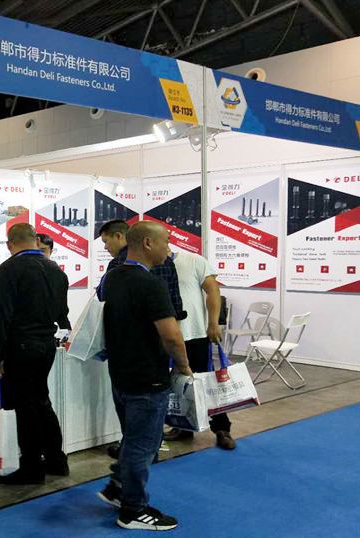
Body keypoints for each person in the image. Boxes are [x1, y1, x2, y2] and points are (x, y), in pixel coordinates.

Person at [96, 221, 191, 531]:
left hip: (120, 374)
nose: (169, 249)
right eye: (166, 242)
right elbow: (171, 335)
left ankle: (118, 488)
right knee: (143, 446)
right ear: (148, 243)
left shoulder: (113, 277)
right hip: (148, 378)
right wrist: (184, 366)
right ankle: (133, 510)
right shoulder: (151, 284)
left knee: (132, 439)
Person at [0, 223, 70, 485]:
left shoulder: (9, 269)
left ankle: (32, 467)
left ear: (9, 244)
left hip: (21, 346)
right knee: (41, 401)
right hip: (46, 344)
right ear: (35, 241)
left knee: (25, 407)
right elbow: (61, 312)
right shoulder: (55, 270)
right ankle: (56, 459)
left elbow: (2, 314)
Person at [164, 250, 234, 449]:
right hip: (165, 336)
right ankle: (182, 426)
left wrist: (213, 323)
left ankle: (222, 428)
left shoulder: (193, 261)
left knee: (205, 382)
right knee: (175, 386)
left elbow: (213, 291)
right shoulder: (151, 265)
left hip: (195, 335)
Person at [100, 219, 186, 320]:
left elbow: (104, 298)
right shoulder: (168, 262)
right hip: (164, 325)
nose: (105, 247)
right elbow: (176, 304)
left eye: (106, 241)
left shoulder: (116, 264)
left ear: (118, 236)